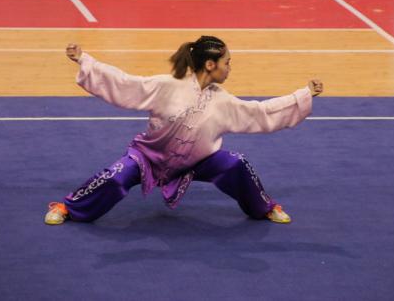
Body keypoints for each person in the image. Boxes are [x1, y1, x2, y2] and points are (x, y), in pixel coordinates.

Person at [45, 36, 323, 225]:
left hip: (197, 163)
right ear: (210, 65)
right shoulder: (166, 86)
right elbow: (126, 84)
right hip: (148, 159)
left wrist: (303, 95)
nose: (229, 68)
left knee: (236, 163)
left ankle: (264, 207)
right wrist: (85, 60)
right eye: (227, 62)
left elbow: (260, 113)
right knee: (116, 177)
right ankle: (69, 207)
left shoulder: (223, 101)